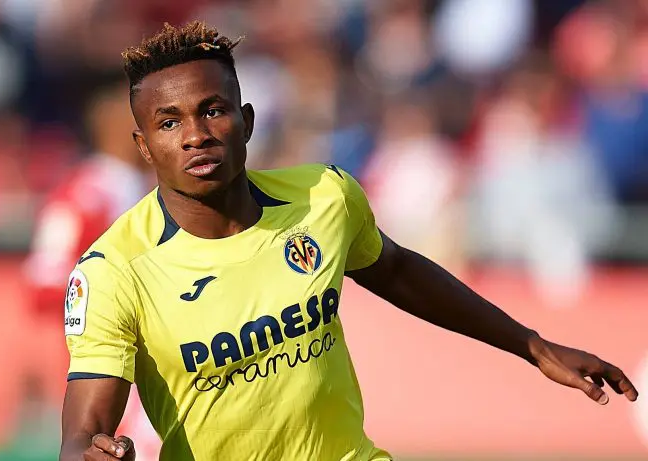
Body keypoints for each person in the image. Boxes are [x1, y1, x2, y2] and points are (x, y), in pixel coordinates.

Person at [58, 22, 638, 461]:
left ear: (248, 120)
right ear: (143, 145)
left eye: (213, 111)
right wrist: (90, 454)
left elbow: (398, 271)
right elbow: (84, 432)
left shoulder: (324, 197)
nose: (196, 135)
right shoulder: (115, 270)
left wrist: (533, 346)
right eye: (169, 122)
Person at [21, 84, 159, 458]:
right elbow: (43, 283)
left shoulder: (147, 190)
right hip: (110, 364)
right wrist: (113, 303)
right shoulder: (83, 195)